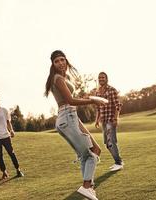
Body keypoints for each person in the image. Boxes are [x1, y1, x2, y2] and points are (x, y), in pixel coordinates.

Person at [45, 50, 104, 200]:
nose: (60, 63)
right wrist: (92, 101)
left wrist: (89, 98)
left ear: (66, 60)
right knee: (90, 155)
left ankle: (88, 188)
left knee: (94, 150)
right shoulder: (57, 78)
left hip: (71, 116)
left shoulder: (64, 77)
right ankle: (86, 187)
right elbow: (70, 101)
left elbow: (71, 99)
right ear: (52, 64)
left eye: (62, 60)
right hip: (67, 116)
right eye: (56, 61)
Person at [0, 94, 24, 179]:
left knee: (11, 153)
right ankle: (4, 172)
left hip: (6, 136)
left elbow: (8, 122)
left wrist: (11, 130)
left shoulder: (4, 110)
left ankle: (18, 170)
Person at [94, 72, 124, 172]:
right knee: (107, 143)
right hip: (103, 120)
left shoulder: (112, 90)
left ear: (106, 78)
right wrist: (97, 120)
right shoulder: (97, 92)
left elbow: (118, 105)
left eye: (103, 77)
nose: (101, 79)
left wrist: (116, 118)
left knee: (112, 141)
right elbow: (98, 107)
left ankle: (119, 163)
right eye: (99, 78)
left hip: (111, 119)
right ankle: (117, 161)